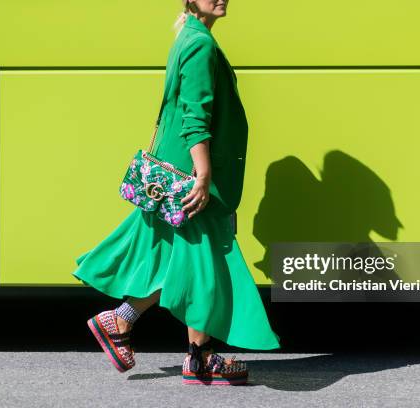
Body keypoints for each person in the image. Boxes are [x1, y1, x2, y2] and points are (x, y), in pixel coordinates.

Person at [72, 0, 280, 386]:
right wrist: (203, 174)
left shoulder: (188, 35)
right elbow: (194, 115)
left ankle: (133, 327)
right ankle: (191, 354)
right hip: (188, 175)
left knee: (184, 261)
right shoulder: (200, 43)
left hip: (173, 171)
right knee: (202, 262)